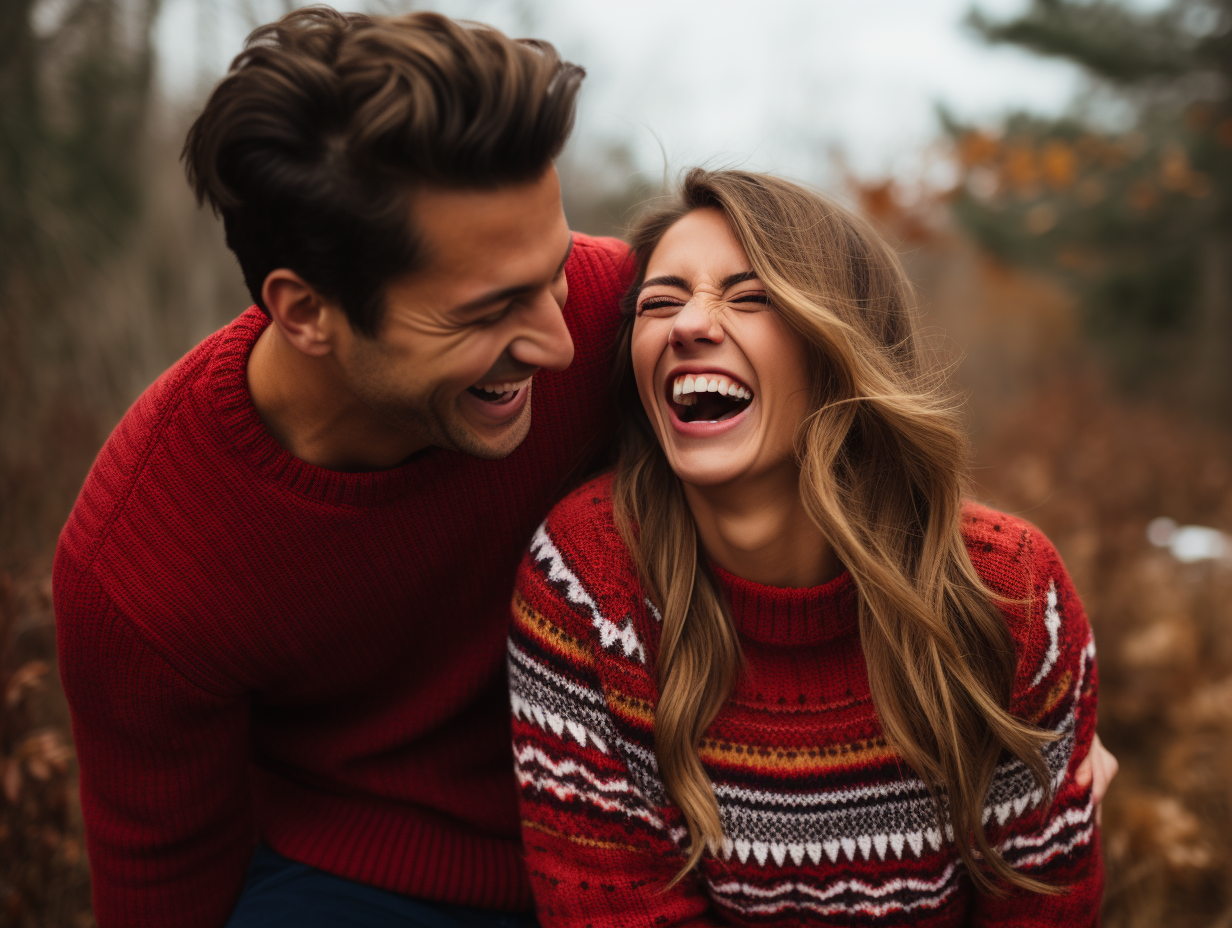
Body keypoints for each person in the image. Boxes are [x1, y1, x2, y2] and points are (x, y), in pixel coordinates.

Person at [53, 9, 629, 927]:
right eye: (487, 313)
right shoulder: (142, 565)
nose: (560, 343)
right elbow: (165, 883)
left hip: (658, 846)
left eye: (555, 272)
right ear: (308, 313)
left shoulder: (632, 324)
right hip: (371, 887)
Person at [510, 169, 1106, 926]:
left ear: (839, 348)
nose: (688, 325)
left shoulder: (1006, 591)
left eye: (750, 296)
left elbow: (1043, 912)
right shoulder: (586, 581)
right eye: (659, 303)